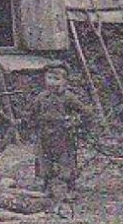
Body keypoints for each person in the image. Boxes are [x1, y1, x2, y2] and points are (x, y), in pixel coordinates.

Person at [23, 63, 95, 197]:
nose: (52, 82)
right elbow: (31, 112)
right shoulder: (41, 97)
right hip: (44, 132)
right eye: (49, 78)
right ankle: (45, 186)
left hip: (63, 133)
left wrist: (75, 121)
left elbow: (85, 111)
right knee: (44, 158)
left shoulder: (68, 97)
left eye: (56, 79)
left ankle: (70, 187)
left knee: (65, 159)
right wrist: (29, 123)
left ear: (64, 81)